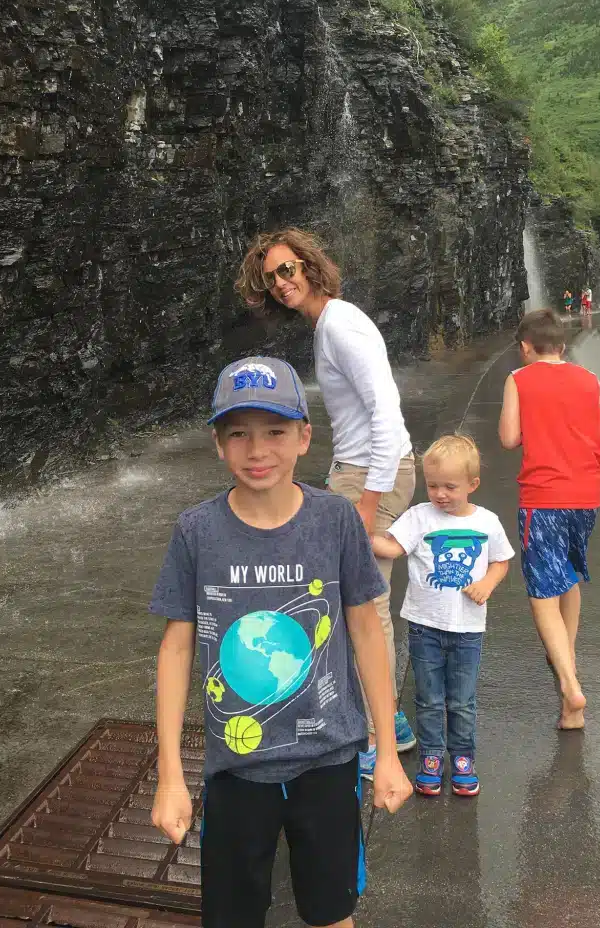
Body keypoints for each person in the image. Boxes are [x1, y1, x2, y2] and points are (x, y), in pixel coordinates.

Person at [150, 356, 412, 928]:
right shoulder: (197, 531)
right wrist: (171, 776)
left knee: (332, 911)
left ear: (304, 437)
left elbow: (367, 630)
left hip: (330, 762)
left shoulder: (336, 520)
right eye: (238, 433)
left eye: (274, 431)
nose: (257, 450)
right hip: (236, 771)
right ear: (218, 444)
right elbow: (175, 649)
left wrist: (386, 752)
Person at [235, 229, 417, 778]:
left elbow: (387, 411)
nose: (282, 283)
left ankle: (378, 735)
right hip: (359, 471)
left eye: (288, 270)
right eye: (271, 277)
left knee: (364, 604)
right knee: (353, 600)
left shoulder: (341, 323)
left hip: (372, 475)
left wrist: (367, 501)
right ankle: (387, 723)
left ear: (311, 266)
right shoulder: (328, 325)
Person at [498, 309, 600, 730]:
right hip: (586, 499)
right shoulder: (589, 380)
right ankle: (568, 656)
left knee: (542, 592)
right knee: (570, 574)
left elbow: (508, 438)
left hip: (543, 498)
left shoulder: (519, 379)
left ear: (525, 347)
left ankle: (569, 684)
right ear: (561, 344)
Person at [371, 435, 514, 797]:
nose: (440, 494)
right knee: (429, 698)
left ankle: (463, 756)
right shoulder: (419, 517)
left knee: (462, 700)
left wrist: (487, 583)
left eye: (450, 486)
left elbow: (502, 560)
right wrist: (358, 532)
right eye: (433, 485)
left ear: (472, 485)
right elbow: (393, 547)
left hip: (468, 630)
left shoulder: (487, 522)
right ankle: (432, 757)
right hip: (424, 627)